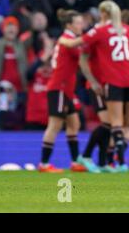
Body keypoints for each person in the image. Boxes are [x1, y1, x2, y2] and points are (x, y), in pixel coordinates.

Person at [58, 0, 129, 172]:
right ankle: (87, 156)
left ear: (103, 14)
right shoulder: (102, 31)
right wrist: (92, 81)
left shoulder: (102, 32)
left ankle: (102, 162)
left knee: (110, 125)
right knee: (110, 123)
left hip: (111, 82)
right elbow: (83, 57)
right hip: (101, 85)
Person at [38, 10, 87, 173]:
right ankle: (44, 164)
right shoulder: (68, 40)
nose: (82, 26)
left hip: (67, 90)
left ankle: (74, 162)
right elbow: (82, 58)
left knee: (74, 124)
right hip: (58, 88)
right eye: (79, 23)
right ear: (69, 25)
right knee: (55, 125)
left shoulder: (69, 39)